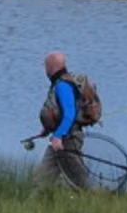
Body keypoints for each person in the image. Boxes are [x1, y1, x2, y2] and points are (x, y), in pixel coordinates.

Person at [32, 51, 90, 190]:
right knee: (41, 178)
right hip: (60, 140)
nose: (45, 70)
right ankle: (35, 203)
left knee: (79, 182)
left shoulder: (63, 86)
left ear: (51, 67)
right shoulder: (59, 83)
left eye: (46, 66)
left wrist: (58, 136)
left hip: (68, 141)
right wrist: (48, 130)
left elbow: (69, 113)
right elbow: (60, 113)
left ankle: (94, 201)